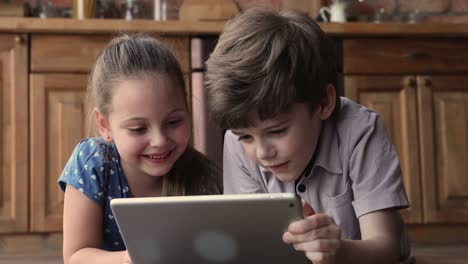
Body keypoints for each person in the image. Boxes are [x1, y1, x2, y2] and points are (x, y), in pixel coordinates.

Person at [205, 8, 413, 264]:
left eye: (277, 131)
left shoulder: (361, 131)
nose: (262, 153)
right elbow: (250, 242)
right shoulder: (237, 141)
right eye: (246, 137)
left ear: (324, 102)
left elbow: (386, 248)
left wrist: (338, 252)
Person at [58, 34, 221, 264]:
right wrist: (130, 259)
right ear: (105, 125)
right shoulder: (93, 163)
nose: (159, 141)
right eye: (138, 128)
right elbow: (76, 256)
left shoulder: (204, 176)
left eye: (173, 122)